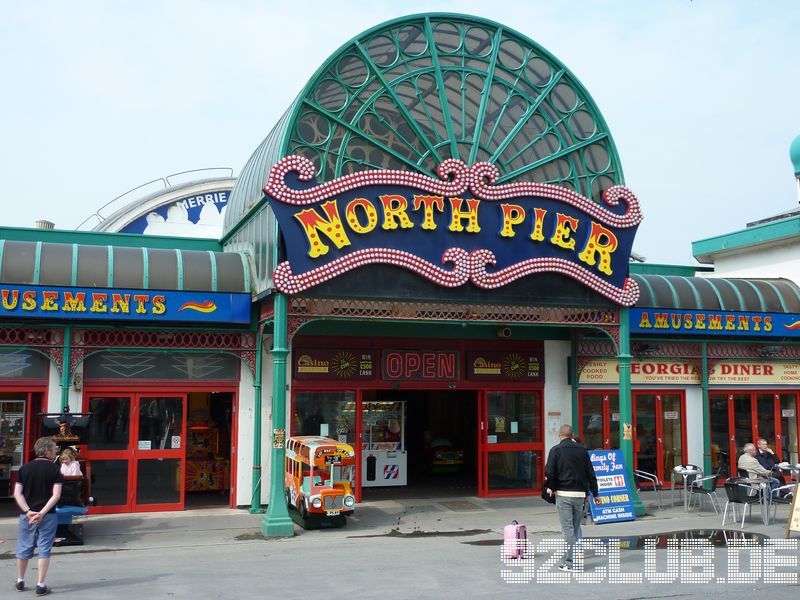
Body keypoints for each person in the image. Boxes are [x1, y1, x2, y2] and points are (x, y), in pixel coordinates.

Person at [544, 424, 600, 573]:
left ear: (559, 435)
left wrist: (552, 487)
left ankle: (571, 563)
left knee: (567, 530)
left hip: (564, 495)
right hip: (580, 496)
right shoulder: (582, 450)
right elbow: (590, 473)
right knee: (575, 529)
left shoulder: (555, 450)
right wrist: (595, 493)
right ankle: (574, 560)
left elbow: (549, 471)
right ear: (571, 435)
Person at [13, 436, 63, 596]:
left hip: (26, 515)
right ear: (47, 451)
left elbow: (17, 493)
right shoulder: (55, 470)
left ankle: (20, 580)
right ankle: (40, 584)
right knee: (44, 548)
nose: (56, 451)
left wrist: (28, 511)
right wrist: (42, 513)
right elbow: (56, 496)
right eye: (54, 449)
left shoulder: (24, 468)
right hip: (47, 515)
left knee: (24, 546)